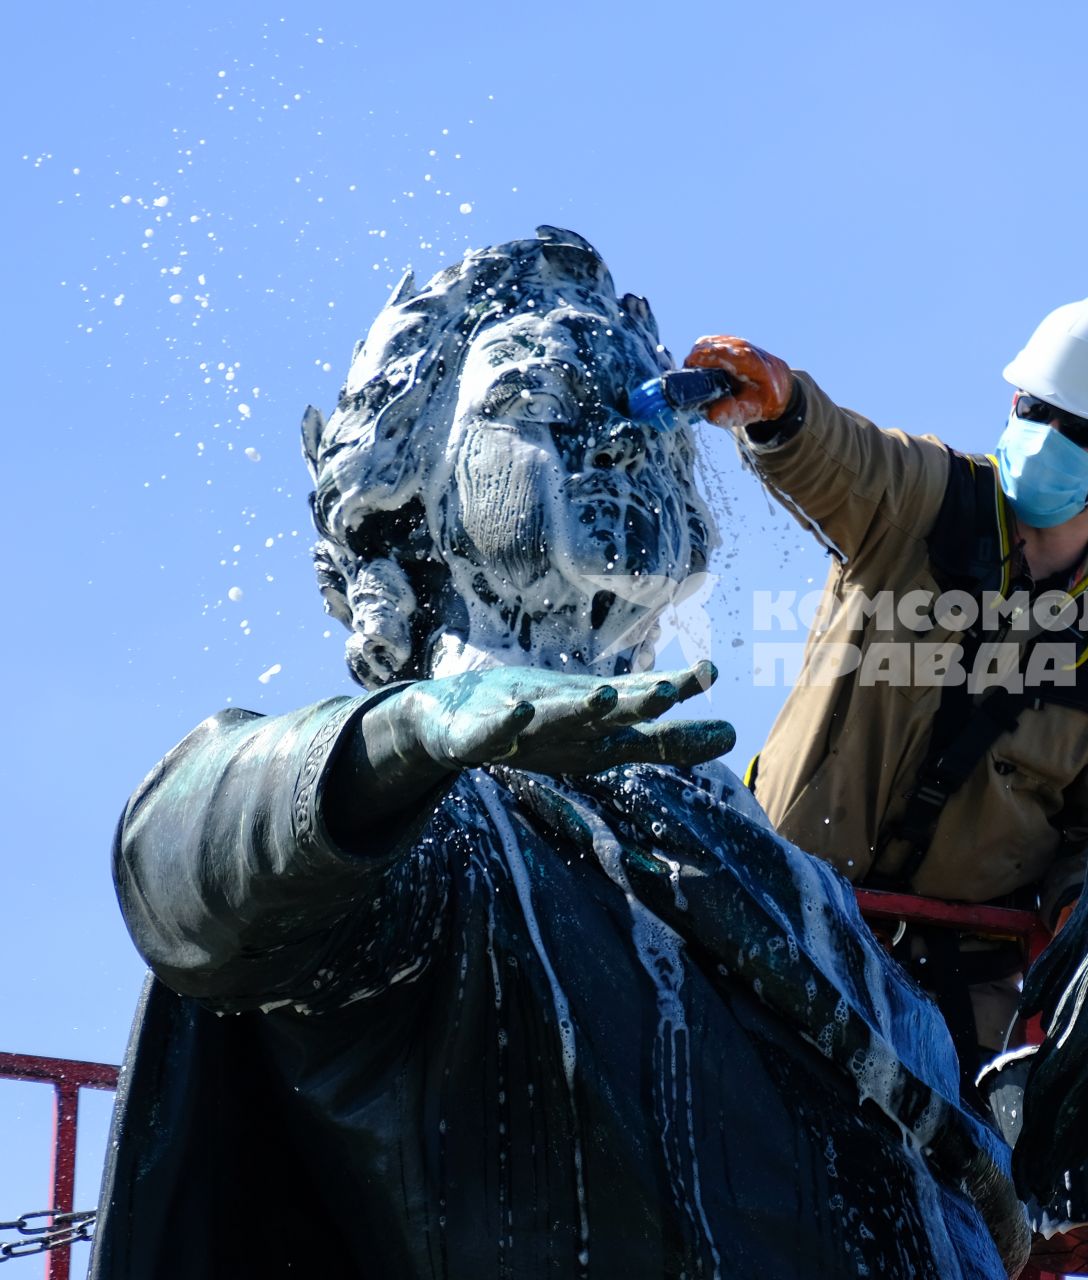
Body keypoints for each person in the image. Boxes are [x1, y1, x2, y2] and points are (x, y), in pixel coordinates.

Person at [89, 228, 1025, 1280]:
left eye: (654, 408)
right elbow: (175, 870)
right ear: (410, 509)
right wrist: (402, 740)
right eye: (542, 405)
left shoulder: (819, 914)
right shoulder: (432, 846)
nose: (628, 434)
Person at [687, 295, 1088, 1075]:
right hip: (782, 925)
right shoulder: (928, 499)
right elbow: (844, 457)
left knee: (985, 1192)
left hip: (957, 1011)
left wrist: (1085, 902)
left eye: (1079, 429)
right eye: (1034, 409)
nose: (1045, 438)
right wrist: (782, 407)